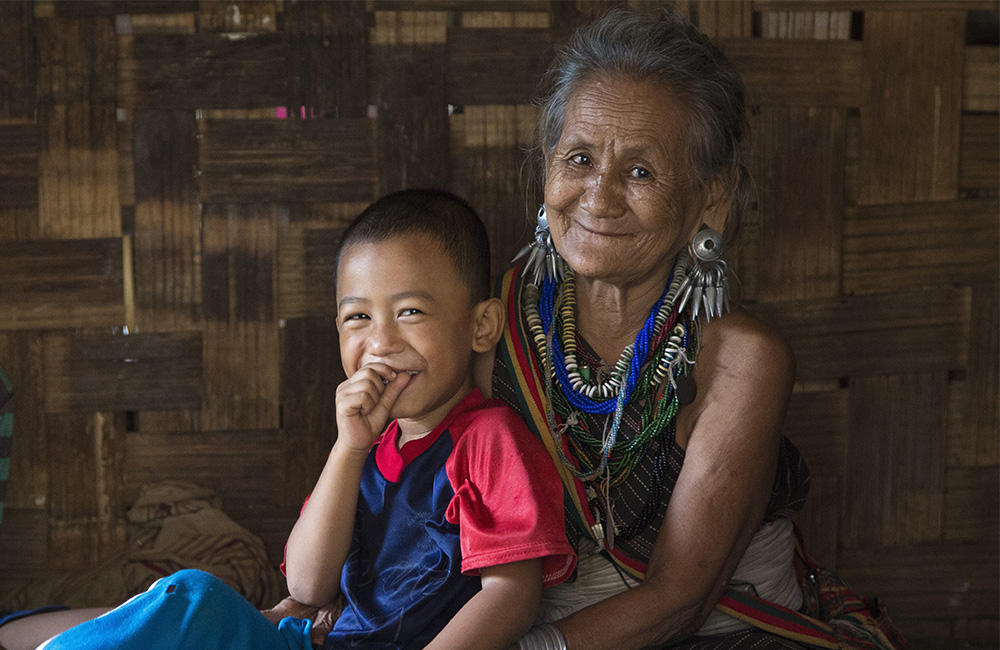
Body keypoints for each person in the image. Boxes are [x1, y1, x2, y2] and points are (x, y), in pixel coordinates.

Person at [479, 8, 899, 650]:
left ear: (712, 197)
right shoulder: (490, 331)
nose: (598, 195)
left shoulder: (740, 362)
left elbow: (680, 600)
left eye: (640, 171)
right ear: (546, 167)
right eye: (580, 158)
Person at [1, 189, 575, 650]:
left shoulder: (487, 440)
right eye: (357, 318)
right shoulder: (369, 448)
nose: (379, 342)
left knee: (190, 603)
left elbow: (511, 594)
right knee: (183, 602)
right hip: (307, 639)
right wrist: (349, 449)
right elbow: (305, 584)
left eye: (409, 312)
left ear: (481, 327)